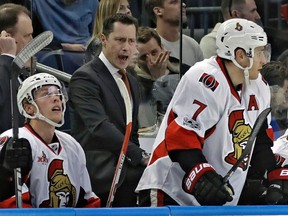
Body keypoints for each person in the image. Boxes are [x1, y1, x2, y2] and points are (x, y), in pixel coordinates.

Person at [135, 18, 287, 206]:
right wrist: (201, 175)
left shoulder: (260, 86)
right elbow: (181, 137)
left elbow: (260, 141)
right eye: (259, 52)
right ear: (240, 55)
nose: (264, 60)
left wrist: (273, 179)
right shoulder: (204, 78)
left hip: (220, 199)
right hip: (173, 193)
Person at [69, 13, 150, 207]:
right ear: (103, 40)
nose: (126, 47)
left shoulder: (131, 80)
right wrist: (138, 155)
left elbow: (133, 131)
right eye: (120, 40)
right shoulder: (85, 78)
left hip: (125, 164)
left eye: (131, 41)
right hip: (99, 168)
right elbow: (99, 127)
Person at [0, 73, 101, 208]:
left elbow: (88, 202)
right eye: (46, 93)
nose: (56, 98)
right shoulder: (15, 141)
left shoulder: (72, 144)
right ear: (28, 108)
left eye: (58, 93)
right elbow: (10, 203)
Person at [134, 26, 180, 135]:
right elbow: (149, 125)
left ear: (163, 48)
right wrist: (157, 81)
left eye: (154, 52)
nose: (152, 60)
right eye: (143, 57)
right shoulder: (132, 82)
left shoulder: (183, 73)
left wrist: (160, 81)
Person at [0, 3, 33, 134]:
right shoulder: (5, 67)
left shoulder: (23, 72)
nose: (32, 40)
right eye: (27, 36)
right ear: (8, 38)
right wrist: (8, 56)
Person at [144, 0, 203, 68]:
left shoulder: (193, 45)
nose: (183, 5)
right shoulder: (147, 45)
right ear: (158, 11)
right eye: (174, 2)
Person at [30, 0, 98, 52]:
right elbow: (30, 44)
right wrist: (62, 47)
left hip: (84, 52)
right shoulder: (37, 2)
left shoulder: (92, 2)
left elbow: (96, 35)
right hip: (52, 52)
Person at [261, 60, 288, 138]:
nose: (287, 95)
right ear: (271, 91)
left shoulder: (280, 119)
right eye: (286, 90)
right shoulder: (258, 120)